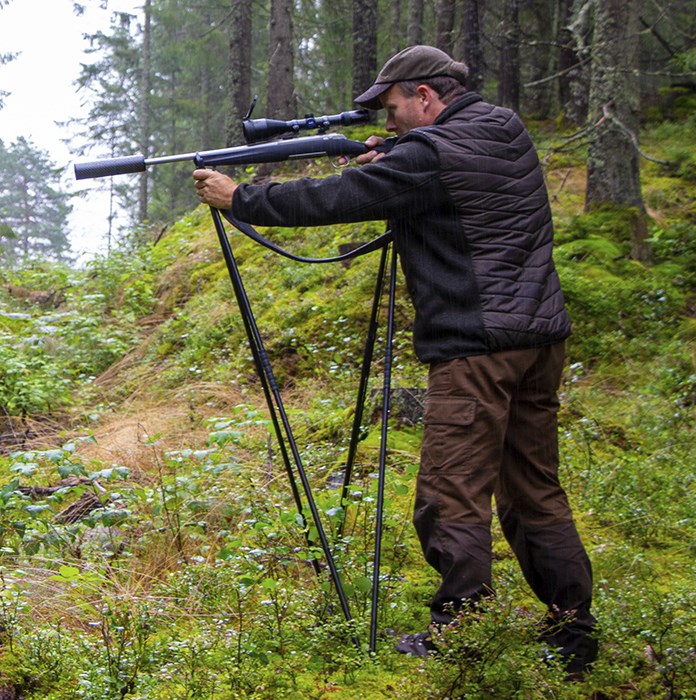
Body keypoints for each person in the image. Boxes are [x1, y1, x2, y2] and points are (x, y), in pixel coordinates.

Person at [193, 45, 598, 678]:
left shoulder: (427, 154)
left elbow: (337, 199)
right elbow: (441, 186)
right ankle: (573, 638)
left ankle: (459, 631)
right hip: (538, 339)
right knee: (533, 493)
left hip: (477, 347)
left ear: (426, 97)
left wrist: (241, 198)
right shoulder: (502, 128)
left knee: (451, 493)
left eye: (393, 107)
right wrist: (396, 160)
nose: (388, 121)